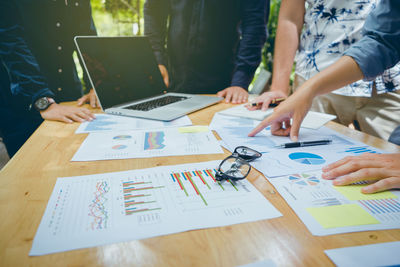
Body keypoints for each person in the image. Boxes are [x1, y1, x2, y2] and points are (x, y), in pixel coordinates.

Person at [248, 0, 400, 194]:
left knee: (385, 173)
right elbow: (385, 39)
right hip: (319, 71)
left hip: (388, 82)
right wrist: (303, 88)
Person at [0, 0, 98, 157]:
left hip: (69, 94)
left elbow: (87, 38)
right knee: (31, 171)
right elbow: (12, 45)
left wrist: (95, 85)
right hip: (22, 102)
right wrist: (43, 101)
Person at [143, 0, 269, 104]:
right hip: (171, 83)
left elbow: (255, 24)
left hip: (223, 90)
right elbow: (154, 11)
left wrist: (240, 81)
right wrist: (157, 61)